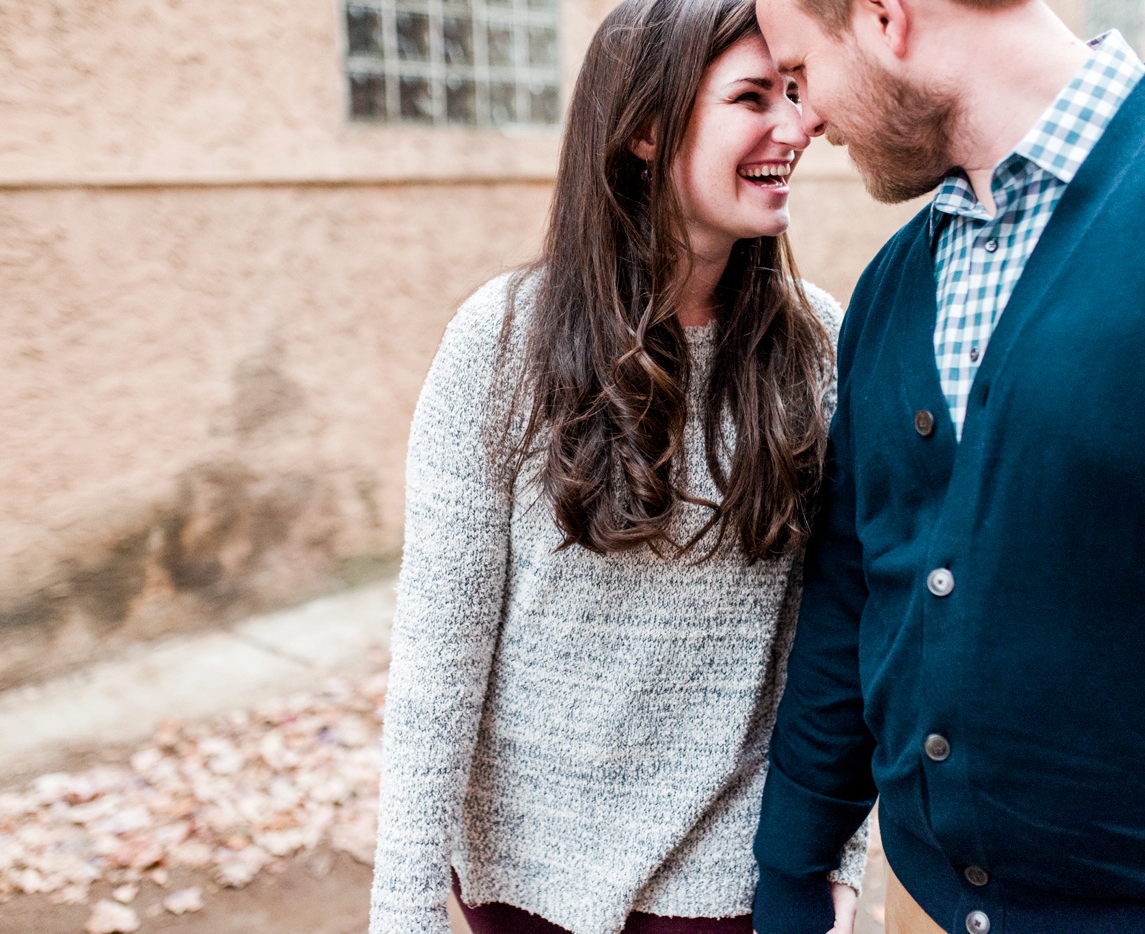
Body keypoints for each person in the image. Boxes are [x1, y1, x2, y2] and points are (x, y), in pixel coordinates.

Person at [747, 0, 1145, 932]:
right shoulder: (892, 290)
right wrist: (792, 868)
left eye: (801, 73)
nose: (804, 121)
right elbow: (853, 596)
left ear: (889, 18)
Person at [367, 1, 870, 932]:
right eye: (753, 96)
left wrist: (836, 858)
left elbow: (835, 632)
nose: (795, 127)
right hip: (523, 882)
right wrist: (404, 912)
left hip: (728, 885)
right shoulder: (502, 340)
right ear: (644, 129)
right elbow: (441, 647)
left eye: (795, 94)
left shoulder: (820, 349)